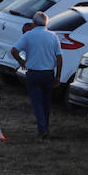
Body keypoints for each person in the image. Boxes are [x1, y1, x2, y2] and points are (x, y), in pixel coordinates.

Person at [10, 11, 61, 140]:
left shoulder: (28, 36)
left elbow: (14, 50)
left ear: (34, 22)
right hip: (49, 73)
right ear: (46, 23)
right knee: (46, 103)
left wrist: (21, 61)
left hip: (33, 74)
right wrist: (58, 76)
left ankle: (42, 129)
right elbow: (59, 58)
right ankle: (45, 128)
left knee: (37, 103)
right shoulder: (53, 36)